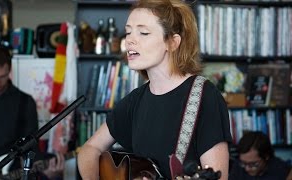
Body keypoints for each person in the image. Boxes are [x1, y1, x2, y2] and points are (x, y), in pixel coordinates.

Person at [77, 0, 232, 179]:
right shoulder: (135, 100)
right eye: (128, 32)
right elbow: (89, 149)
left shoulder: (204, 96)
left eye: (143, 33)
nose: (130, 40)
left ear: (172, 42)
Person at [0, 42, 64, 179]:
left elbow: (31, 149)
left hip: (9, 174)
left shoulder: (25, 102)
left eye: (2, 76)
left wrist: (48, 173)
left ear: (9, 69)